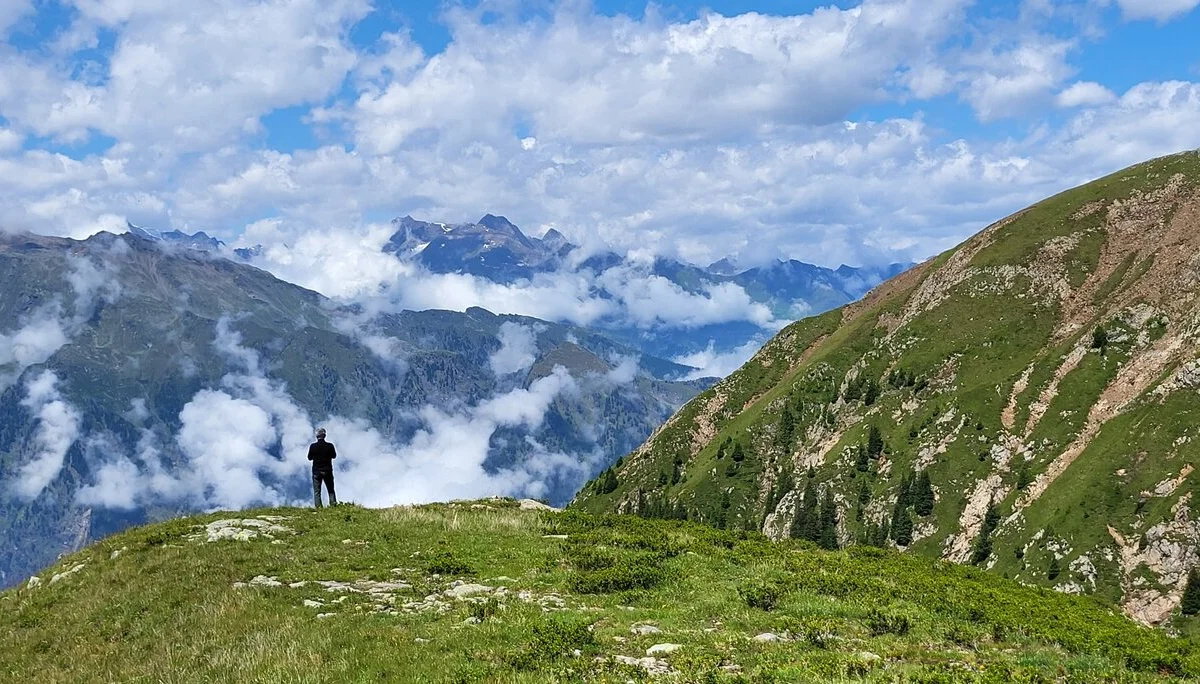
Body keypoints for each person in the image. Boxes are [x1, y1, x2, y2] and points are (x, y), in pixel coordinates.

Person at [308, 428, 338, 508]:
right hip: (327, 470)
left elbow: (309, 458)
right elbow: (334, 456)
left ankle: (318, 507)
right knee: (331, 490)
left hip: (317, 471)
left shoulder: (313, 446)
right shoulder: (330, 446)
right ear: (324, 435)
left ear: (317, 436)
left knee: (317, 491)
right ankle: (333, 505)